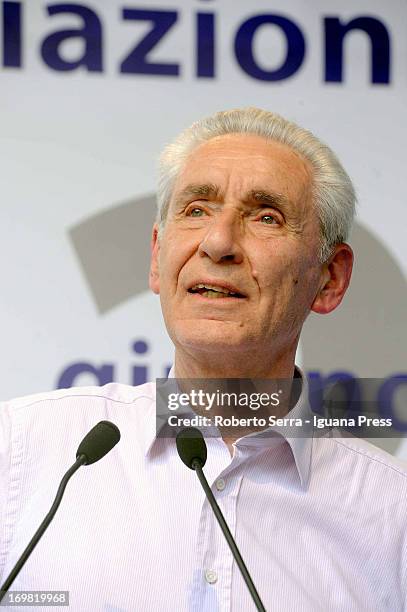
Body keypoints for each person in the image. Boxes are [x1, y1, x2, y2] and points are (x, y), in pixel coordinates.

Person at [0, 108, 406, 611]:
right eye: (196, 210)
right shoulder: (22, 451)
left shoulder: (395, 516)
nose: (217, 243)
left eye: (266, 217)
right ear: (156, 256)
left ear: (329, 279)